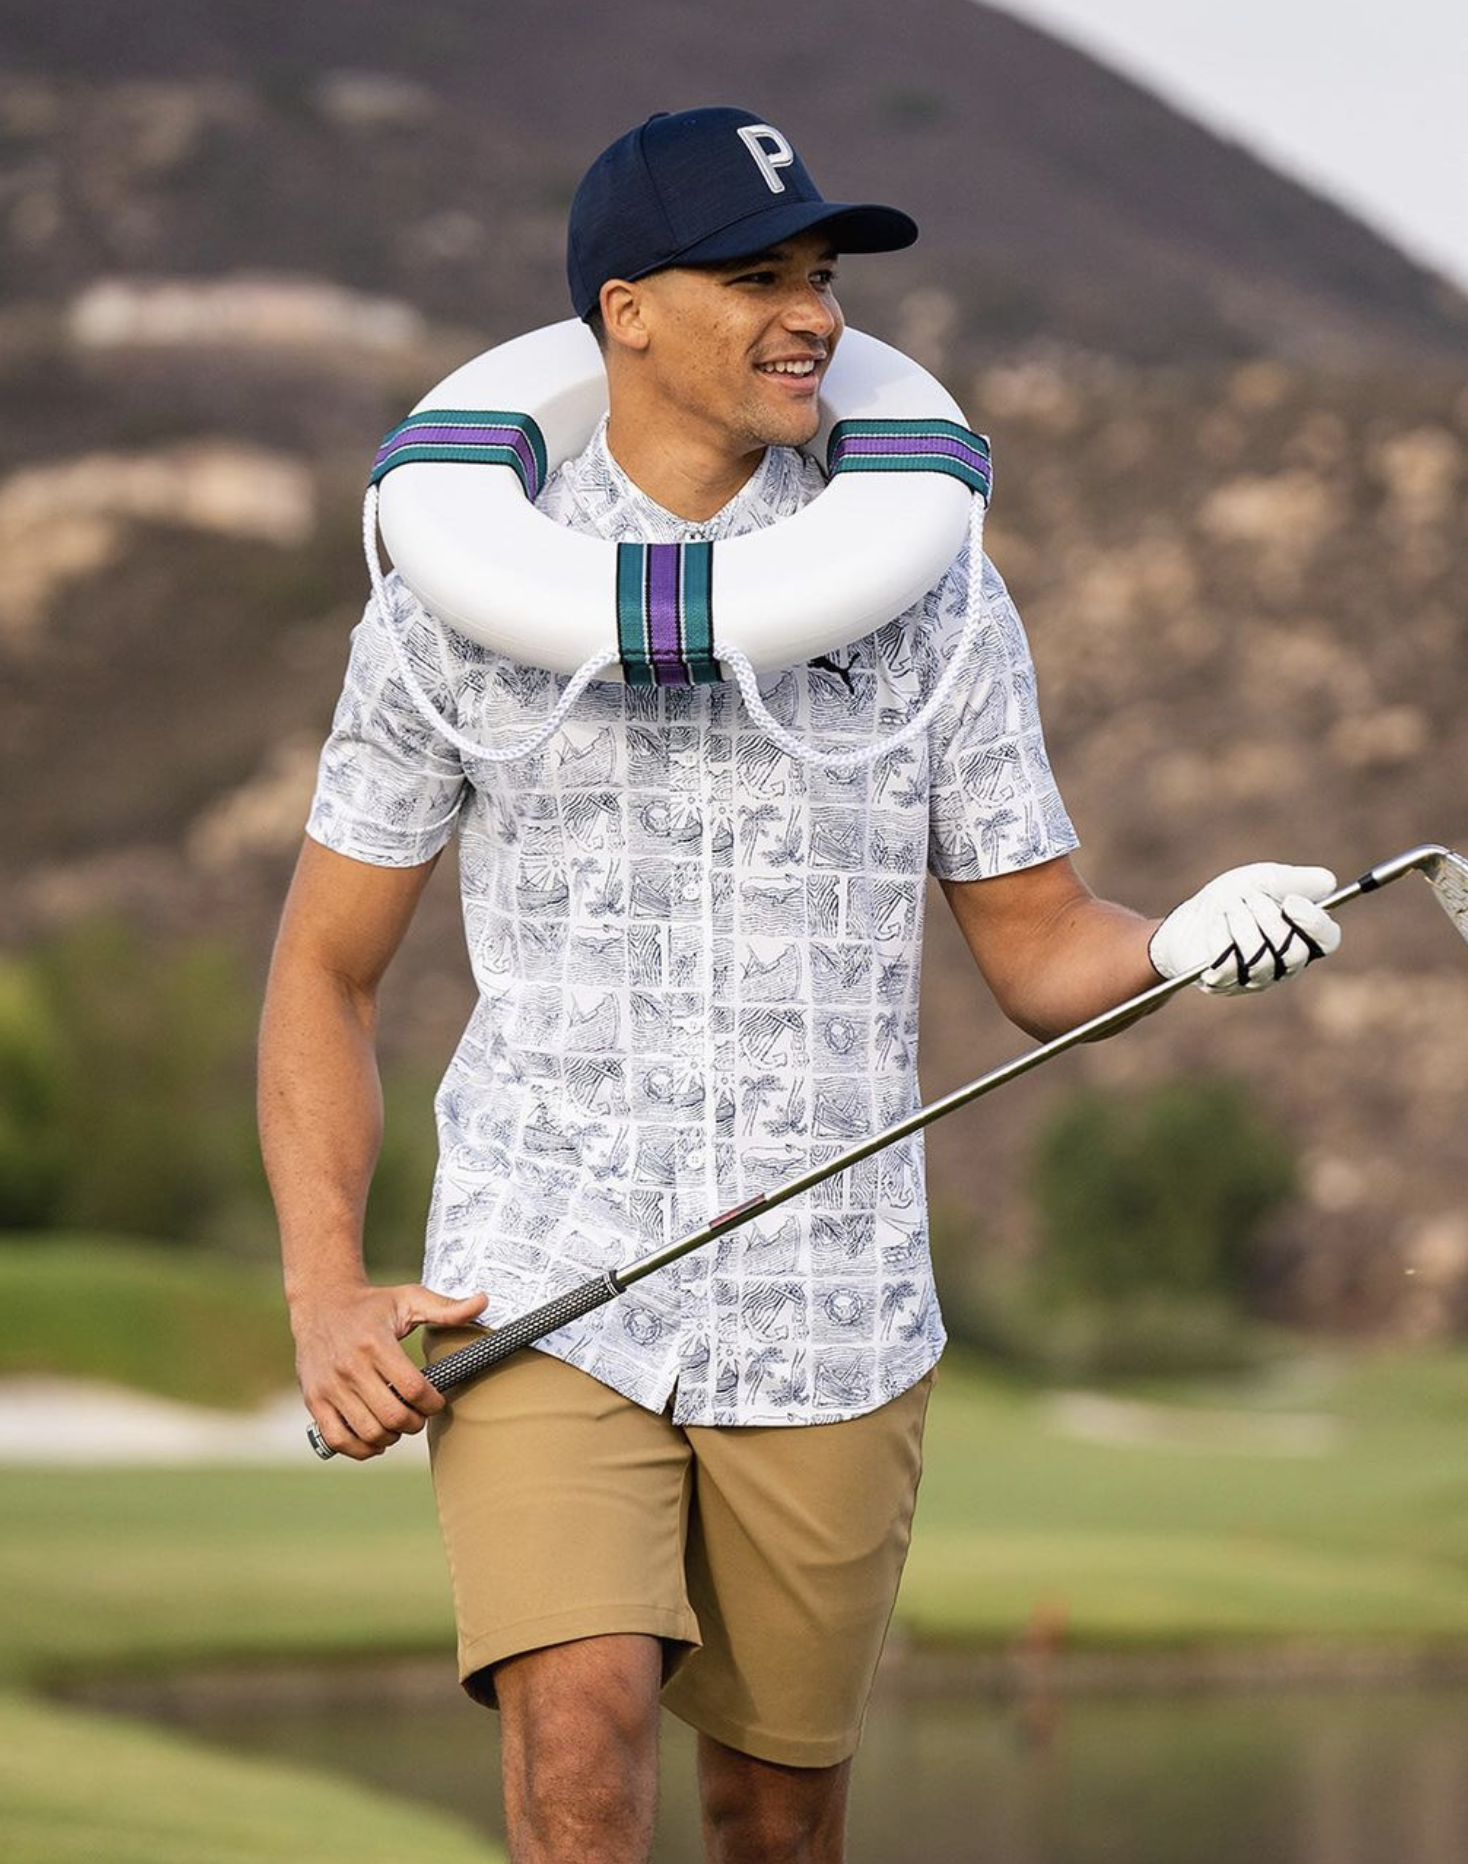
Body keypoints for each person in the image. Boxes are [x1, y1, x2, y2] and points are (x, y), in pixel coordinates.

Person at [258, 106, 1341, 1864]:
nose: (816, 316)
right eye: (759, 277)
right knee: (579, 1753)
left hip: (831, 1309)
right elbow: (323, 969)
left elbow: (1041, 946)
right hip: (545, 1270)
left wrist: (1181, 943)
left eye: (823, 277)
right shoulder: (451, 600)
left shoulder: (932, 594)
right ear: (625, 312)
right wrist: (323, 1289)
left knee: (775, 1820)